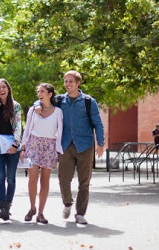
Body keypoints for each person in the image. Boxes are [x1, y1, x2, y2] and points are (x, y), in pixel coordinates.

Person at [56, 70, 104, 225]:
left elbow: (98, 123)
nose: (68, 84)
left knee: (84, 182)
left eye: (71, 81)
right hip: (66, 145)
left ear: (78, 83)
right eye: (66, 81)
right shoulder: (59, 101)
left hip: (85, 146)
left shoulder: (89, 101)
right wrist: (37, 106)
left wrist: (100, 144)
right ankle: (67, 202)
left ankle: (80, 213)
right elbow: (41, 100)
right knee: (63, 179)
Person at [20, 83, 63, 224]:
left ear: (50, 94)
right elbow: (27, 130)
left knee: (45, 180)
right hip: (33, 144)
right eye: (38, 91)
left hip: (49, 146)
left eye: (42, 91)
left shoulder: (58, 112)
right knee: (32, 178)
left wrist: (58, 150)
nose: (40, 93)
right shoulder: (33, 110)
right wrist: (23, 147)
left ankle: (40, 213)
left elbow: (60, 132)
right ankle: (32, 208)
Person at [0, 78, 22, 221]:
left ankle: (8, 205)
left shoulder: (15, 106)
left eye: (4, 87)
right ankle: (2, 207)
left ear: (8, 89)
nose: (1, 90)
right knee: (0, 177)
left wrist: (16, 145)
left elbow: (18, 126)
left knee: (10, 178)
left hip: (12, 147)